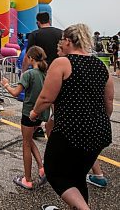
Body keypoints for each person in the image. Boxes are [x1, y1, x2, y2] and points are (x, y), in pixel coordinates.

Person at [30, 24, 114, 210]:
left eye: (62, 40)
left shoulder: (63, 63)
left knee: (55, 173)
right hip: (99, 132)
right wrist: (98, 121)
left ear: (67, 41)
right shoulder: (101, 66)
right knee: (77, 177)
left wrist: (35, 112)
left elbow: (46, 97)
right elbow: (108, 101)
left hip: (70, 131)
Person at [1, 46, 49, 190]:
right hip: (40, 114)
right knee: (28, 140)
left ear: (31, 58)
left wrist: (6, 85)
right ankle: (41, 168)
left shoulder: (28, 74)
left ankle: (27, 180)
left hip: (29, 113)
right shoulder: (44, 73)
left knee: (26, 144)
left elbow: (16, 93)